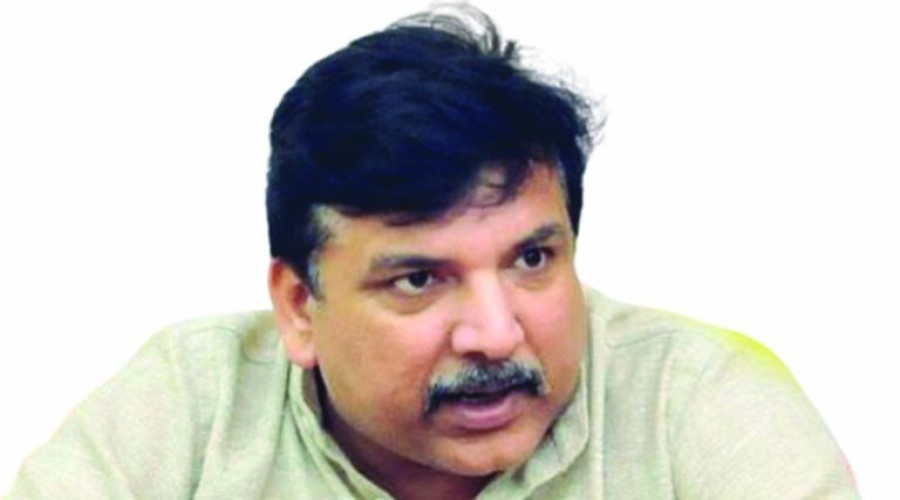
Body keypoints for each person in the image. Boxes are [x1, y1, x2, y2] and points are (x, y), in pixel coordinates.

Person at [6, 6, 859, 499]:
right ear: (300, 307)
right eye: (419, 279)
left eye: (532, 261)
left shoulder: (700, 405)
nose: (496, 334)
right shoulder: (190, 407)